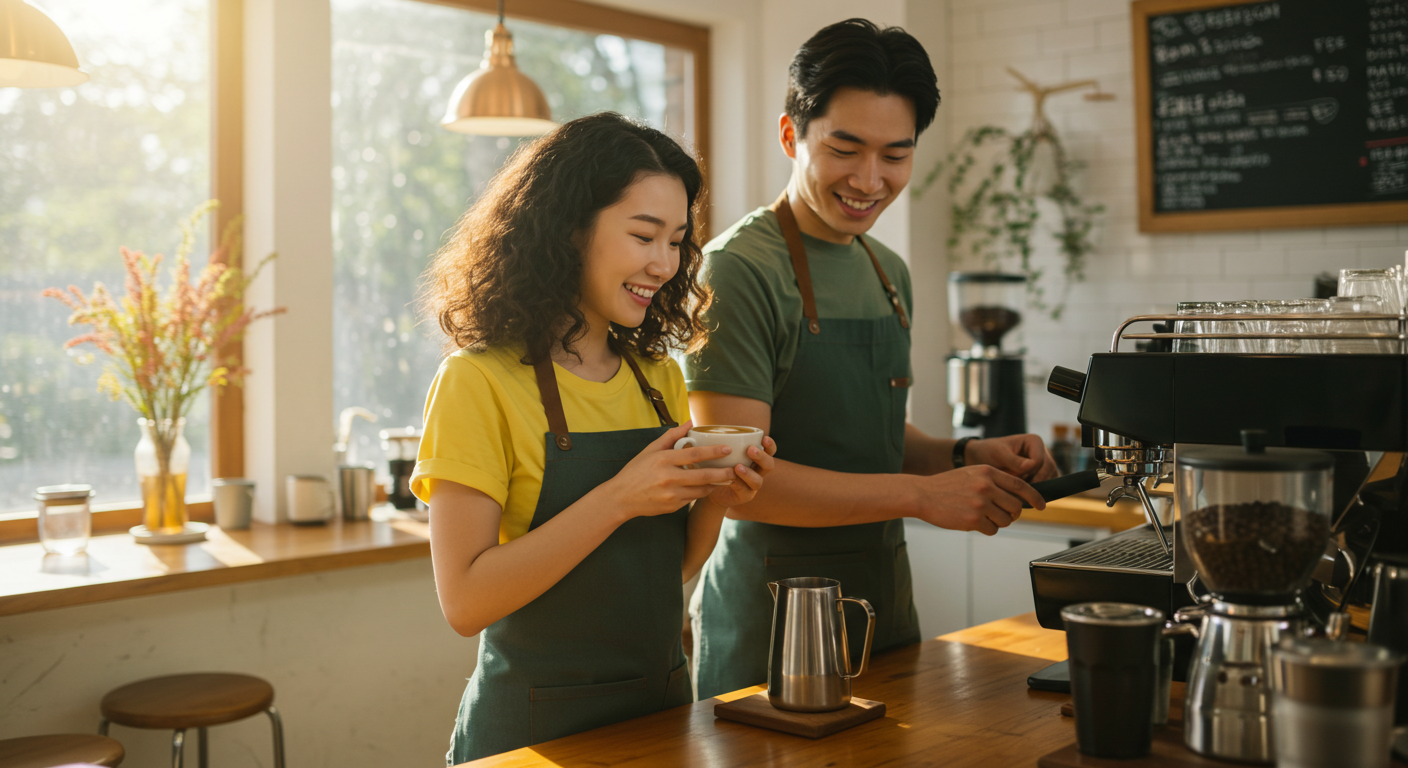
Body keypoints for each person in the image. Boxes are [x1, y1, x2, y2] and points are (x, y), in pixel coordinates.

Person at [684, 19, 1059, 699]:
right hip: (774, 618)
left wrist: (962, 456)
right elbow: (734, 483)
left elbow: (869, 435)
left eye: (895, 155)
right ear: (791, 136)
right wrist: (922, 495)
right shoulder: (738, 269)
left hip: (882, 602)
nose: (870, 179)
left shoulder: (888, 270)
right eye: (845, 148)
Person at [413, 112, 777, 763]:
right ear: (568, 230)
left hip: (659, 713)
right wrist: (619, 497)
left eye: (676, 242)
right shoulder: (477, 382)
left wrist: (723, 492)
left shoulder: (658, 377)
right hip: (532, 733)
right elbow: (465, 602)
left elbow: (668, 570)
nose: (664, 264)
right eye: (644, 236)